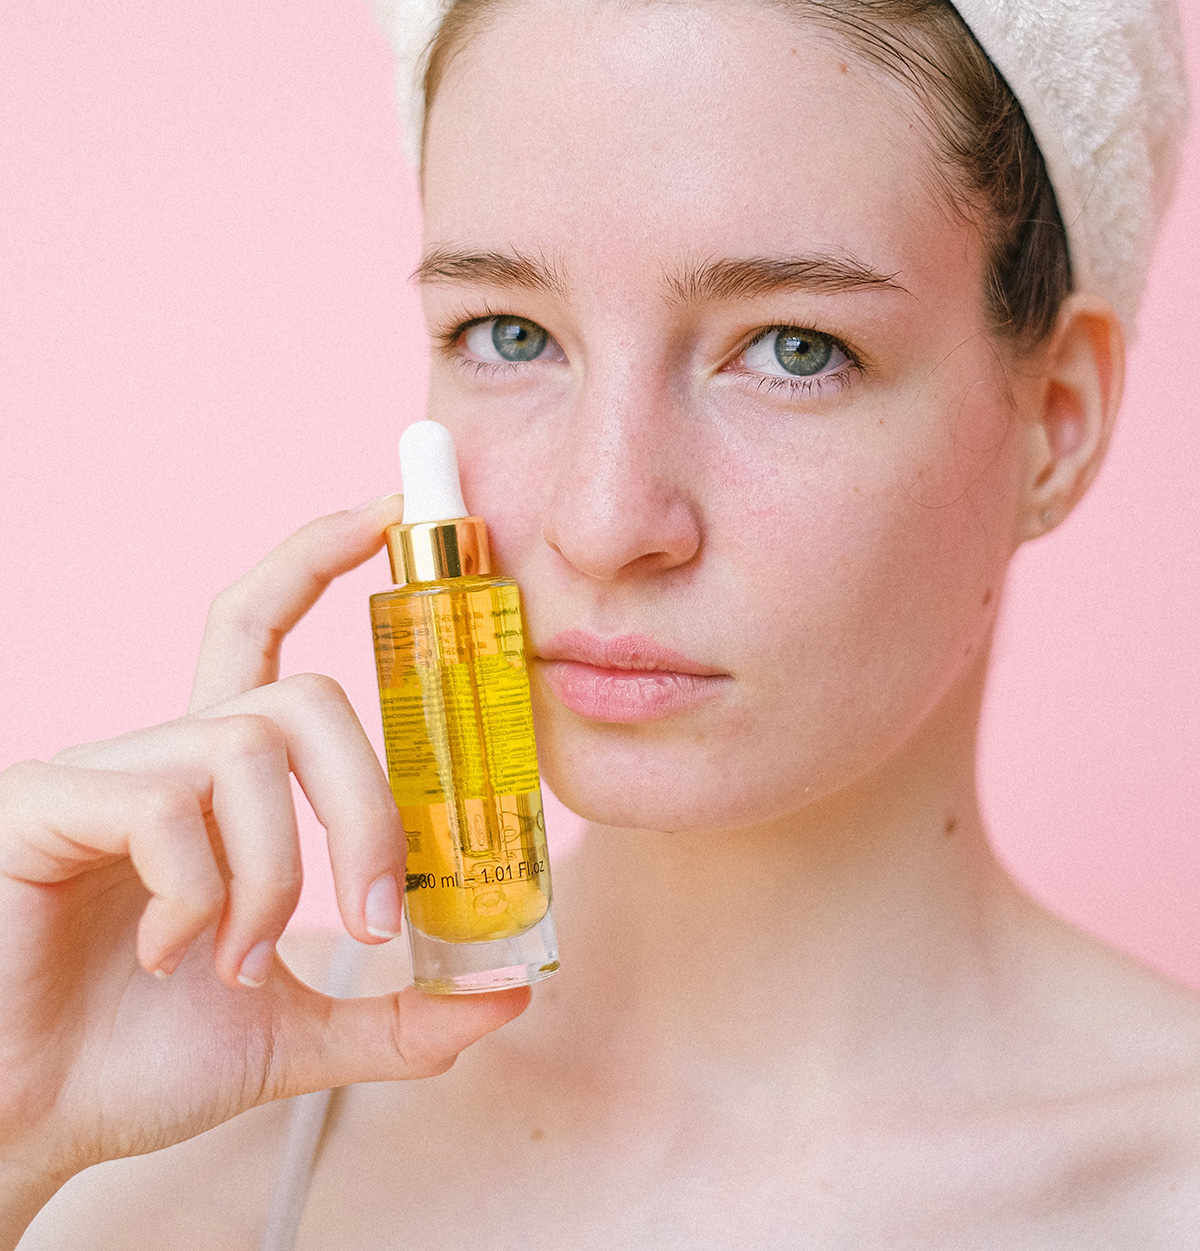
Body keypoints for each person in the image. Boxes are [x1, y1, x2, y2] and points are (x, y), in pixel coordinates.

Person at [2, 0, 1196, 1246]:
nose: (605, 518)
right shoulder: (157, 1126)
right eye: (510, 335)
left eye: (794, 349)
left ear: (1057, 418)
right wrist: (20, 1136)